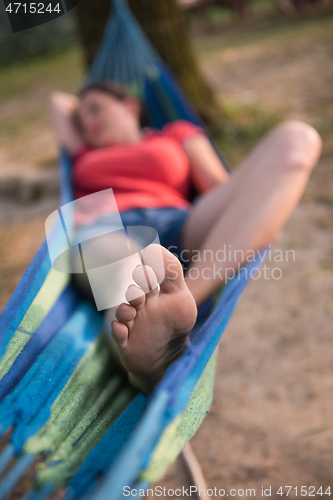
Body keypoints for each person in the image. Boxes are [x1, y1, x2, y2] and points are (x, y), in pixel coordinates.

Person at [49, 83, 322, 393]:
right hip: (108, 227)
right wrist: (92, 108)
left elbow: (220, 186)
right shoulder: (83, 150)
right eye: (80, 119)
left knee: (297, 138)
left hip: (181, 224)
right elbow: (57, 100)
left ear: (131, 106)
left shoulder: (175, 134)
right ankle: (143, 358)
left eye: (96, 109)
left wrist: (264, 210)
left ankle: (183, 301)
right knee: (126, 280)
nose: (86, 122)